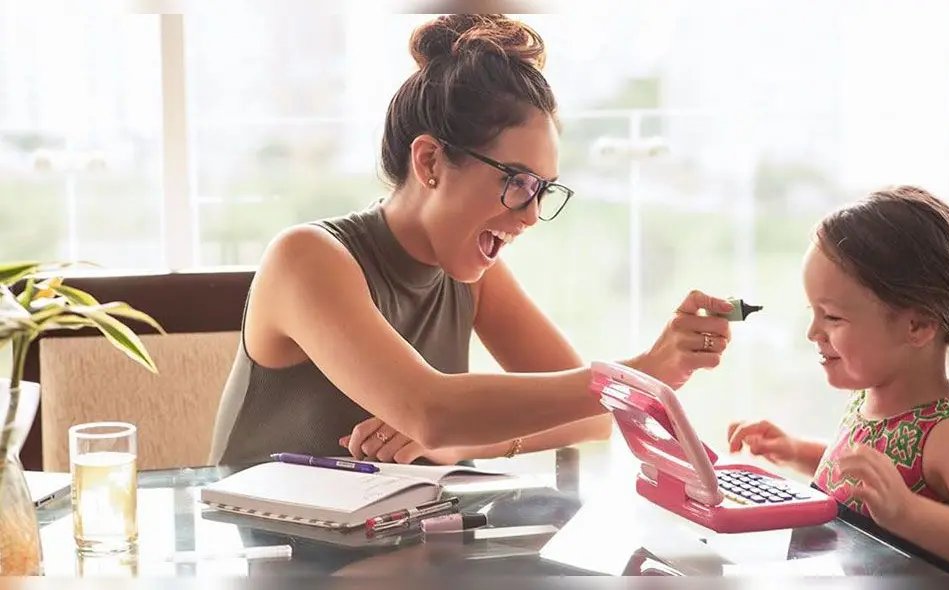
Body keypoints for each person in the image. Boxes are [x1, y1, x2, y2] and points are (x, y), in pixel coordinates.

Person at [208, 14, 735, 468]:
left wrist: (459, 447)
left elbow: (591, 422)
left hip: (388, 553)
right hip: (263, 555)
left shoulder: (473, 275)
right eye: (517, 182)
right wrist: (642, 373)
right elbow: (431, 411)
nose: (530, 216)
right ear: (431, 162)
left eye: (543, 189)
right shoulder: (306, 258)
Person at [728, 185, 949, 577]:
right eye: (813, 312)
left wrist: (908, 514)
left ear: (918, 324)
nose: (813, 333)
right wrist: (796, 450)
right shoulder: (868, 402)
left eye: (832, 317)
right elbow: (871, 476)